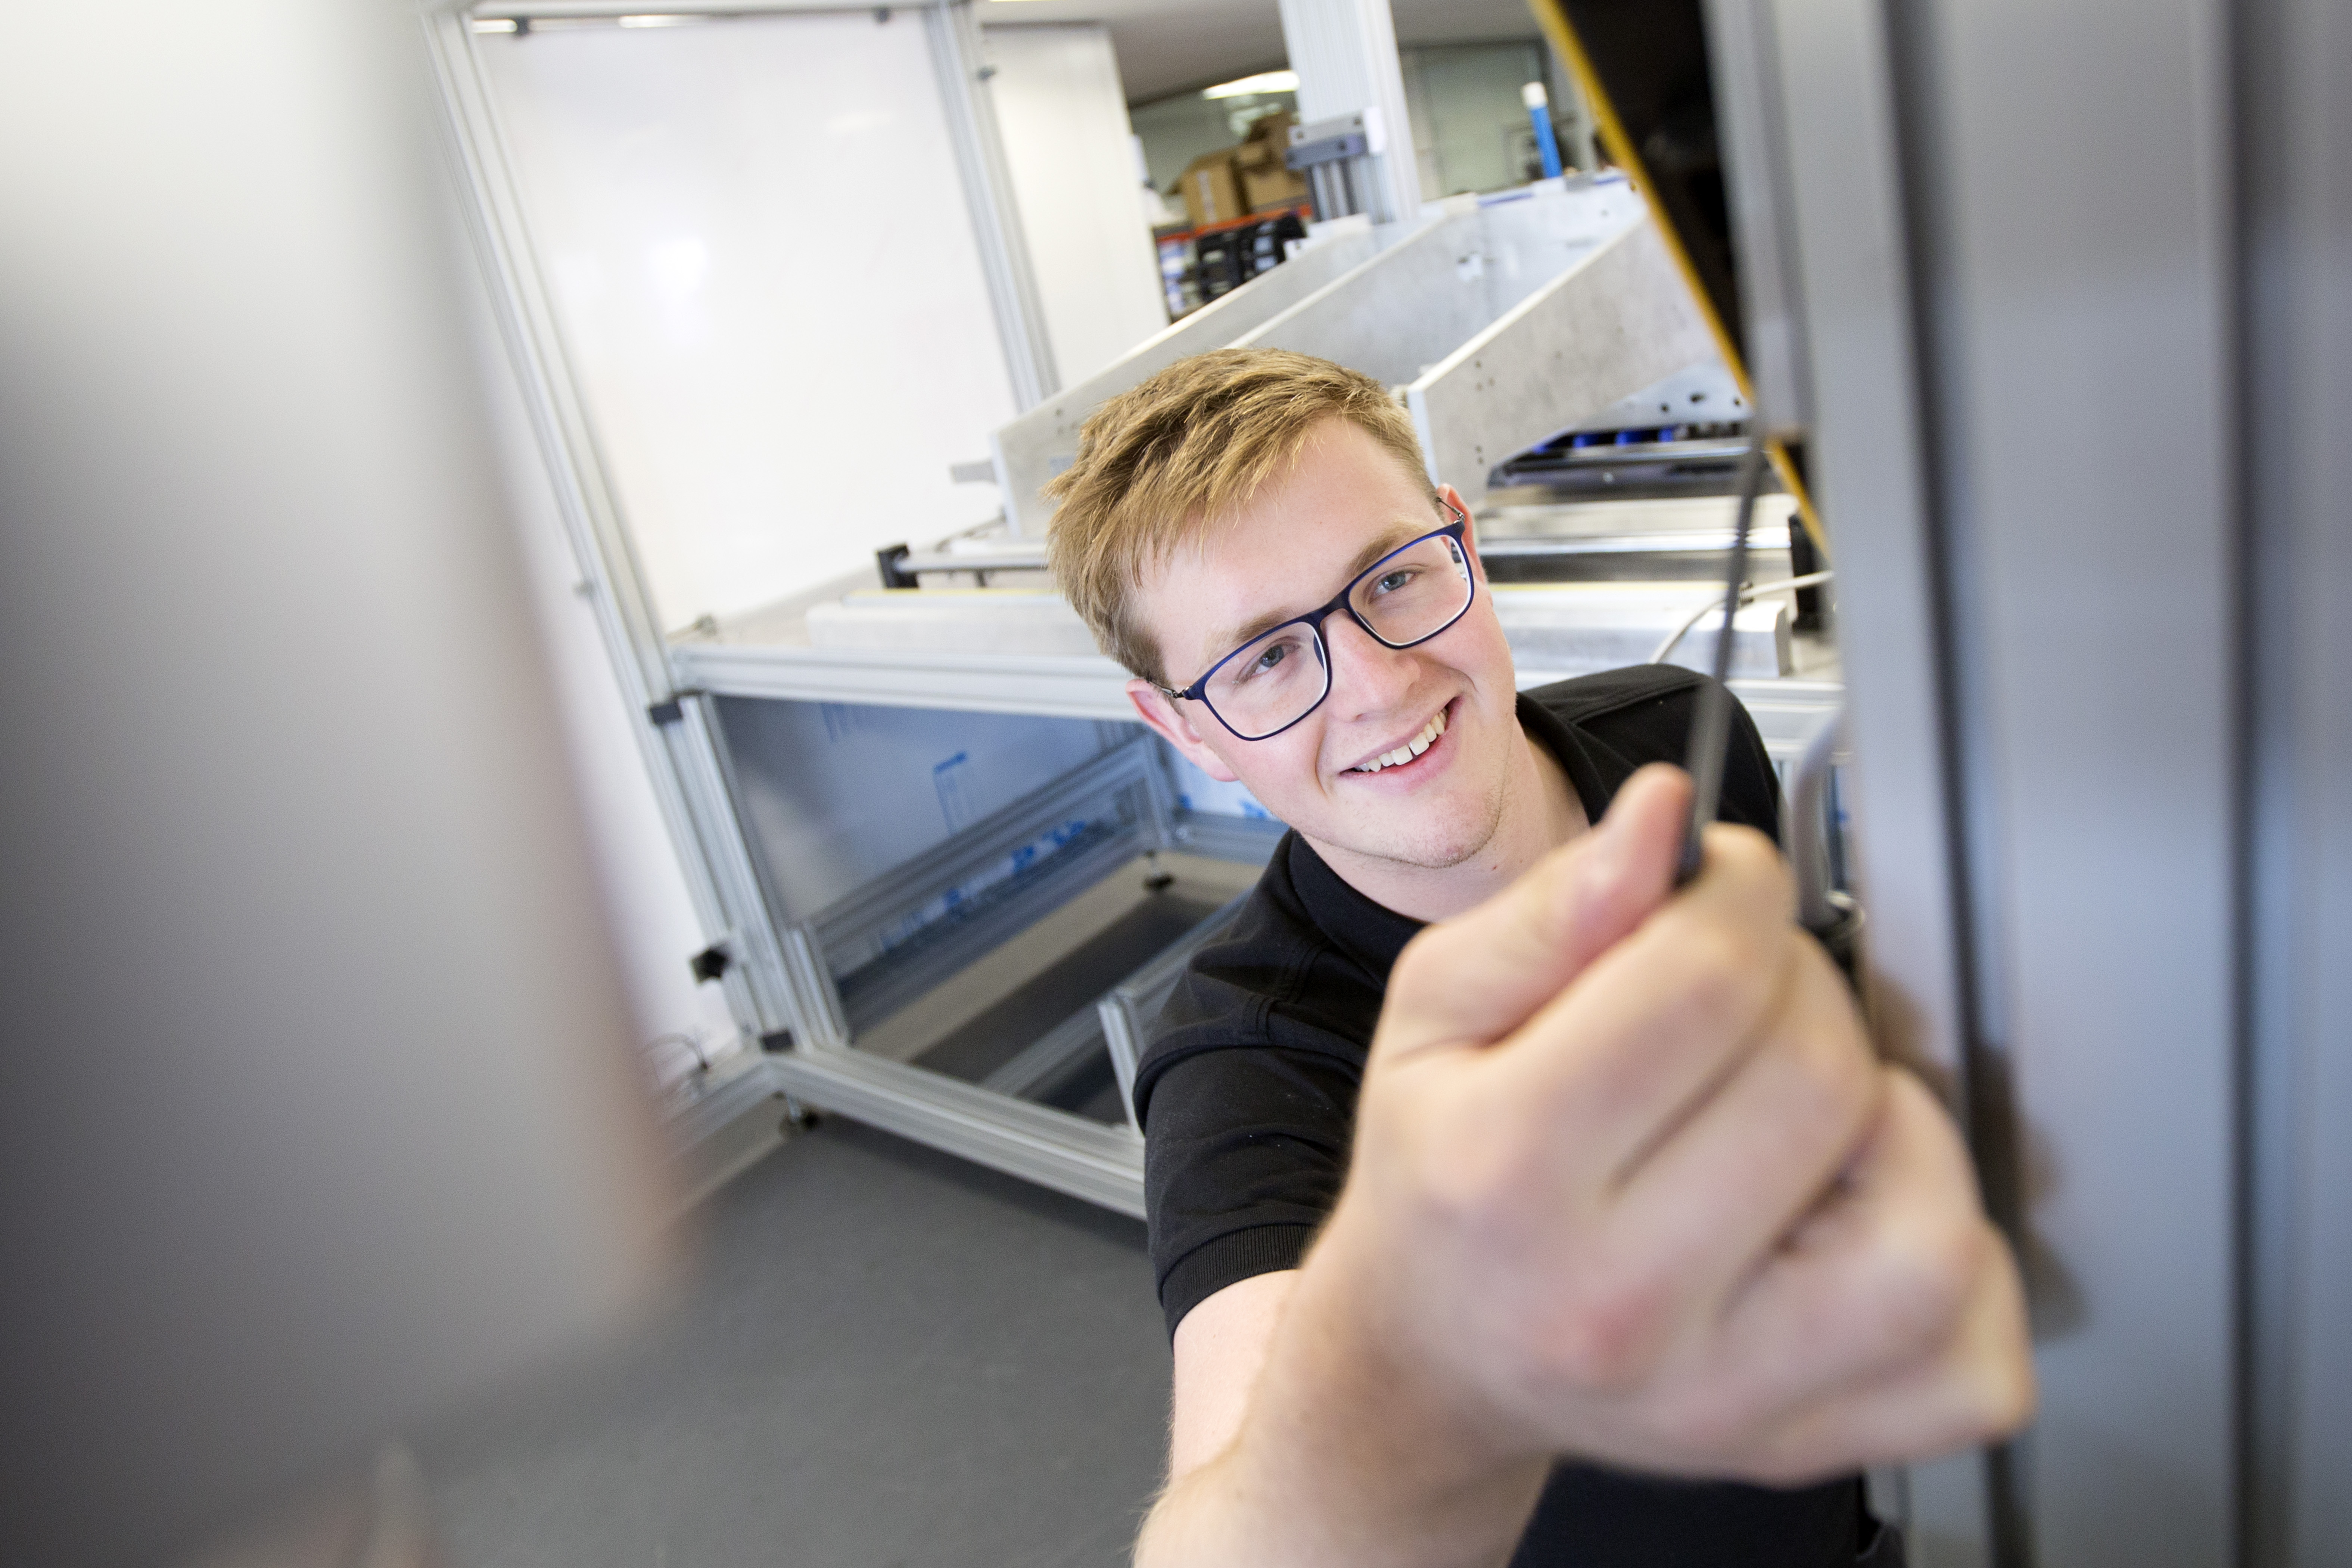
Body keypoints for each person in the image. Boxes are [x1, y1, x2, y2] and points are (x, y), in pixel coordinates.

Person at [1043, 348, 2034, 1567]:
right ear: (1184, 727)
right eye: (1265, 658)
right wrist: (1443, 1361)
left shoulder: (1681, 732)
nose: (1377, 684)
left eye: (1392, 578)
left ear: (1461, 541)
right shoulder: (1248, 1067)